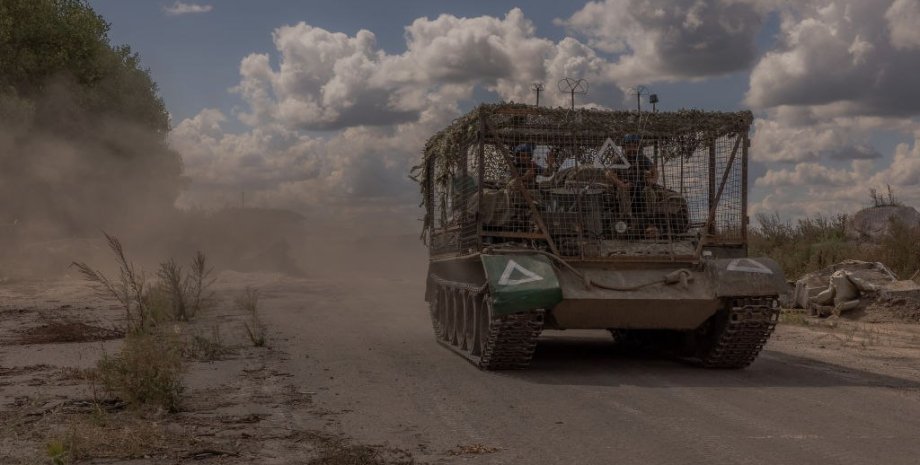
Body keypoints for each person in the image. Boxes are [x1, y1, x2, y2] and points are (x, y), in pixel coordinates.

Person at [605, 134, 659, 236]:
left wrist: (653, 180)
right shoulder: (619, 159)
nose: (632, 149)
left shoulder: (642, 158)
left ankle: (650, 222)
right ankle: (627, 220)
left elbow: (655, 170)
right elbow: (608, 173)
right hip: (626, 191)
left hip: (640, 191)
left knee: (650, 192)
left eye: (635, 146)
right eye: (629, 146)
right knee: (623, 191)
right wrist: (621, 184)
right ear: (624, 147)